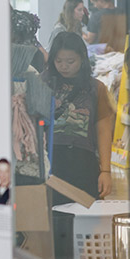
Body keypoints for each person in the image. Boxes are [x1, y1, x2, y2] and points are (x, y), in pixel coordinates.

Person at [44, 32, 114, 202]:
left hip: (83, 164)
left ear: (82, 59)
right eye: (58, 61)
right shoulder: (43, 83)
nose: (64, 66)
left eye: (70, 61)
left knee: (85, 220)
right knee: (52, 221)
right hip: (49, 163)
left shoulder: (96, 88)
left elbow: (104, 131)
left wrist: (105, 171)